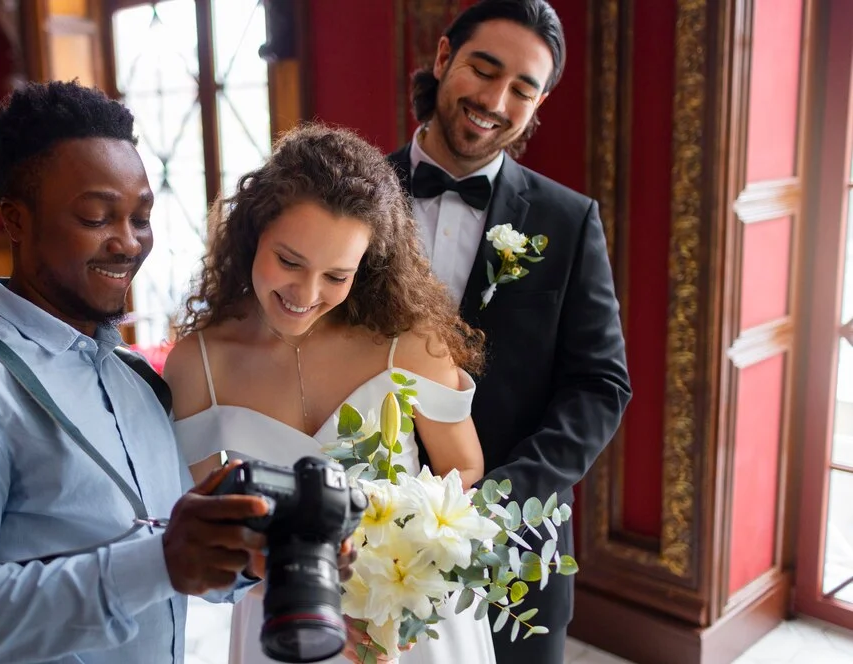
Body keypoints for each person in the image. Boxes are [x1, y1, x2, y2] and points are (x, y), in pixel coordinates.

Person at [0, 80, 275, 664]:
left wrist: (253, 554)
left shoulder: (141, 382)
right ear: (15, 220)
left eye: (141, 217)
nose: (128, 243)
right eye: (96, 216)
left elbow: (176, 562)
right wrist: (157, 562)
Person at [164, 124, 495, 664]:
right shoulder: (198, 365)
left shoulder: (409, 345)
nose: (306, 294)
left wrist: (388, 574)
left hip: (407, 622)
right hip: (283, 617)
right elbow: (212, 522)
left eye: (337, 275)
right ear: (254, 232)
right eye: (289, 261)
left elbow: (462, 467)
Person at [387, 1, 632, 662]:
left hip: (513, 556)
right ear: (444, 59)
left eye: (522, 88)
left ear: (539, 101)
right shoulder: (355, 195)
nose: (494, 100)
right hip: (371, 538)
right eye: (483, 70)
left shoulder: (569, 219)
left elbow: (601, 384)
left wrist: (500, 500)